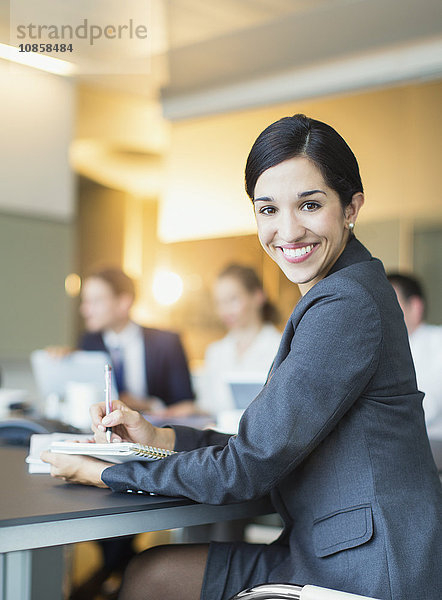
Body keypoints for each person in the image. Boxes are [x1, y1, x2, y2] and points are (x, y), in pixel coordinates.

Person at [42, 114, 442, 600]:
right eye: (268, 209)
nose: (287, 231)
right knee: (153, 574)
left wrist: (103, 470)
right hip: (331, 545)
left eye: (310, 205)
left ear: (351, 207)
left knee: (154, 578)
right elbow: (265, 443)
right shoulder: (344, 290)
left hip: (370, 567)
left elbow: (249, 464)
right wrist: (160, 436)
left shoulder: (347, 304)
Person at [79, 267, 194, 415]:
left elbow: (187, 405)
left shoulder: (167, 343)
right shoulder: (89, 343)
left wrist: (147, 406)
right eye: (85, 301)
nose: (85, 310)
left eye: (96, 301)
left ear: (123, 303)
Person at [198, 263, 281, 418]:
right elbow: (207, 407)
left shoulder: (281, 347)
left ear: (258, 296)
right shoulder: (215, 352)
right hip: (221, 439)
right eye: (219, 302)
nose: (225, 311)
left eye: (233, 299)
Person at [387, 272, 442, 439]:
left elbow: (427, 409)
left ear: (415, 307)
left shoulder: (438, 341)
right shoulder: (384, 350)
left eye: (390, 304)